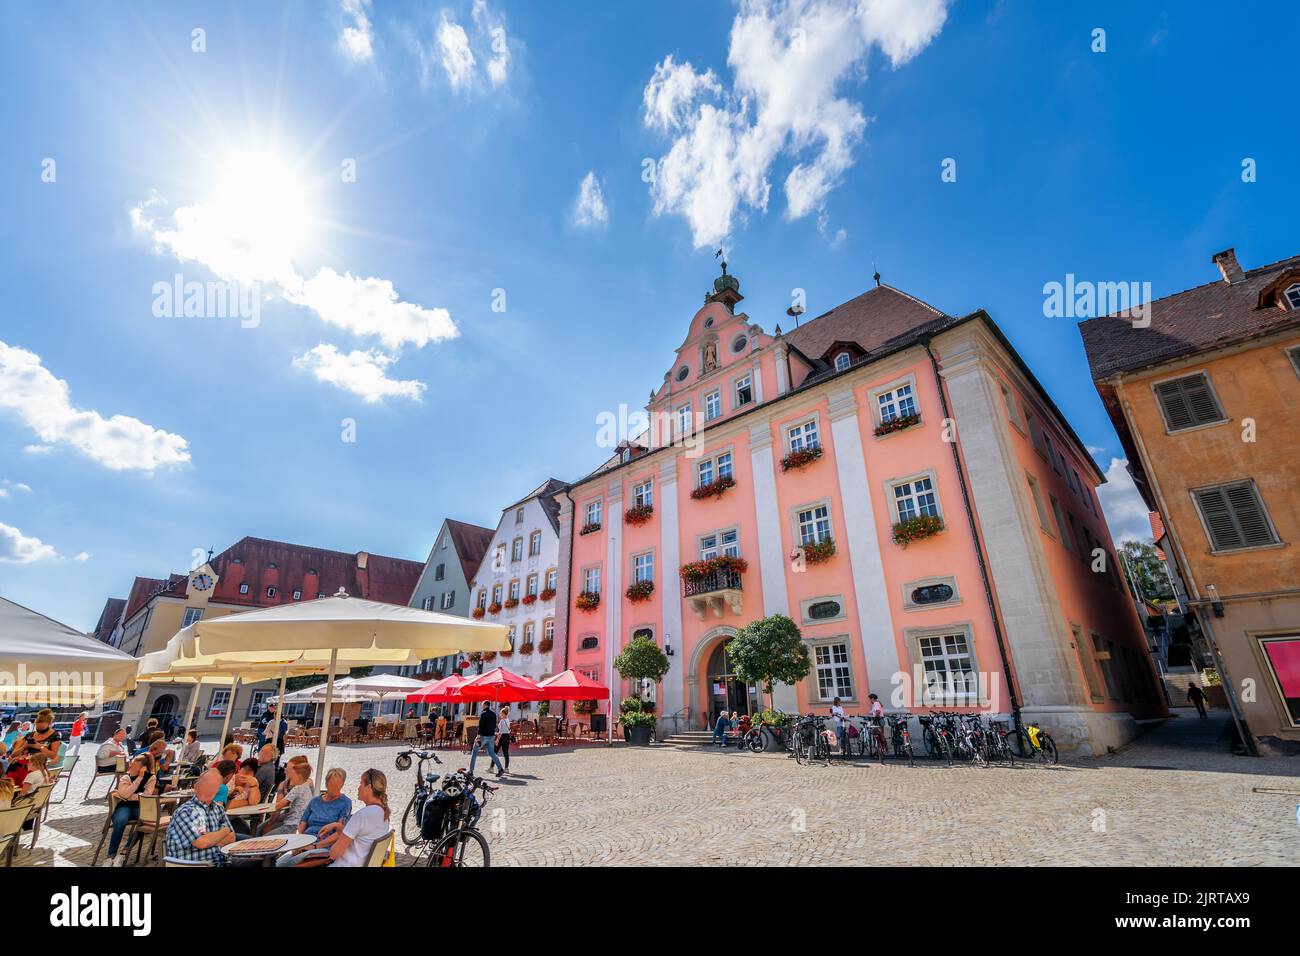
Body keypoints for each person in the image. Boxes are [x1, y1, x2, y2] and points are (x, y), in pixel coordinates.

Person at [274, 768, 352, 867]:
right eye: (332, 785)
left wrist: (314, 846)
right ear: (326, 783)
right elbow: (302, 823)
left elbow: (339, 833)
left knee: (292, 862)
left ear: (342, 784)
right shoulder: (315, 801)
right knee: (279, 862)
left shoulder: (345, 802)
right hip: (305, 842)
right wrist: (298, 843)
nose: (334, 789)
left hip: (325, 846)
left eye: (338, 786)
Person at [164, 768, 236, 866]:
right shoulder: (186, 811)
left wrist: (210, 838)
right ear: (196, 786)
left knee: (260, 860)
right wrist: (225, 831)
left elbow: (231, 838)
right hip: (196, 864)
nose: (209, 789)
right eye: (206, 785)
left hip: (221, 861)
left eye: (213, 786)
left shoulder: (218, 809)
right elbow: (201, 843)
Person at [328, 768, 390, 867]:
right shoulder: (384, 814)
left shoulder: (362, 815)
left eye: (361, 783)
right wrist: (341, 829)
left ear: (369, 787)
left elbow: (334, 854)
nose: (358, 788)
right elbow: (363, 839)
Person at [104, 752, 157, 864]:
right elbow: (125, 795)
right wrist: (138, 782)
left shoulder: (151, 777)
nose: (130, 766)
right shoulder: (125, 777)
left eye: (133, 764)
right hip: (124, 806)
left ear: (143, 767)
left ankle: (124, 852)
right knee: (120, 821)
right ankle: (111, 856)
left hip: (140, 807)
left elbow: (146, 795)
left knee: (147, 822)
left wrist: (129, 795)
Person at [6, 708, 63, 786]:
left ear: (49, 724)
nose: (38, 730)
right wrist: (24, 746)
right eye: (37, 727)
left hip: (35, 770)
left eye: (41, 728)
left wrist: (40, 747)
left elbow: (53, 756)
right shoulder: (30, 735)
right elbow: (13, 755)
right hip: (17, 768)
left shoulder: (55, 736)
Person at [262, 758, 313, 835]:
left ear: (299, 776)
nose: (291, 778)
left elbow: (278, 806)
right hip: (301, 823)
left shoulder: (297, 788)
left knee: (266, 837)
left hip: (291, 825)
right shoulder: (307, 788)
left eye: (293, 776)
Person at [468, 704, 505, 777]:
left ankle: (470, 771)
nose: (482, 706)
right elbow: (495, 726)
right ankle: (500, 769)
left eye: (482, 705)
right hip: (491, 736)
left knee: (474, 753)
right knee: (492, 753)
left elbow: (481, 726)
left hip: (483, 736)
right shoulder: (494, 714)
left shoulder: (483, 714)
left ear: (485, 705)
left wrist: (478, 737)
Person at [497, 705, 513, 773]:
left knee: (495, 752)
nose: (500, 715)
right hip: (507, 737)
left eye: (501, 713)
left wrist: (497, 740)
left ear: (503, 713)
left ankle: (491, 767)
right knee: (506, 753)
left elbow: (500, 732)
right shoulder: (508, 720)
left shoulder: (502, 721)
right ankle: (506, 768)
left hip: (502, 737)